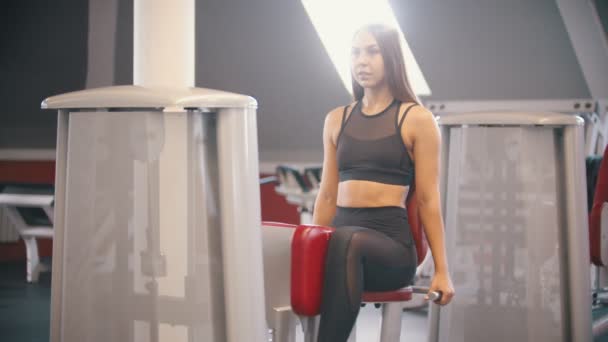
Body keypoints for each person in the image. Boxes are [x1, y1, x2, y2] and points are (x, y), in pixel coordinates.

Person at [312, 23, 455, 341]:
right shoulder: (337, 119)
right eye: (355, 52)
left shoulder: (416, 119)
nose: (362, 61)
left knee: (347, 241)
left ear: (391, 57)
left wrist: (442, 270)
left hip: (391, 252)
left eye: (372, 52)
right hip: (342, 245)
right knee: (336, 242)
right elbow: (326, 197)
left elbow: (430, 200)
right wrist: (308, 247)